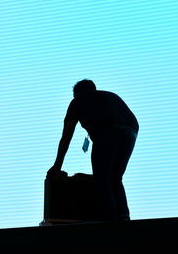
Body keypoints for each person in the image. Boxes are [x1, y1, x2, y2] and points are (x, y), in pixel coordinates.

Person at [47, 79, 139, 221]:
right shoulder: (111, 96)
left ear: (77, 93)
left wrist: (57, 165)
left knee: (102, 180)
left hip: (106, 132)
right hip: (131, 132)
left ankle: (109, 220)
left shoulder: (78, 101)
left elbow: (66, 137)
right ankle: (124, 218)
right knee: (115, 178)